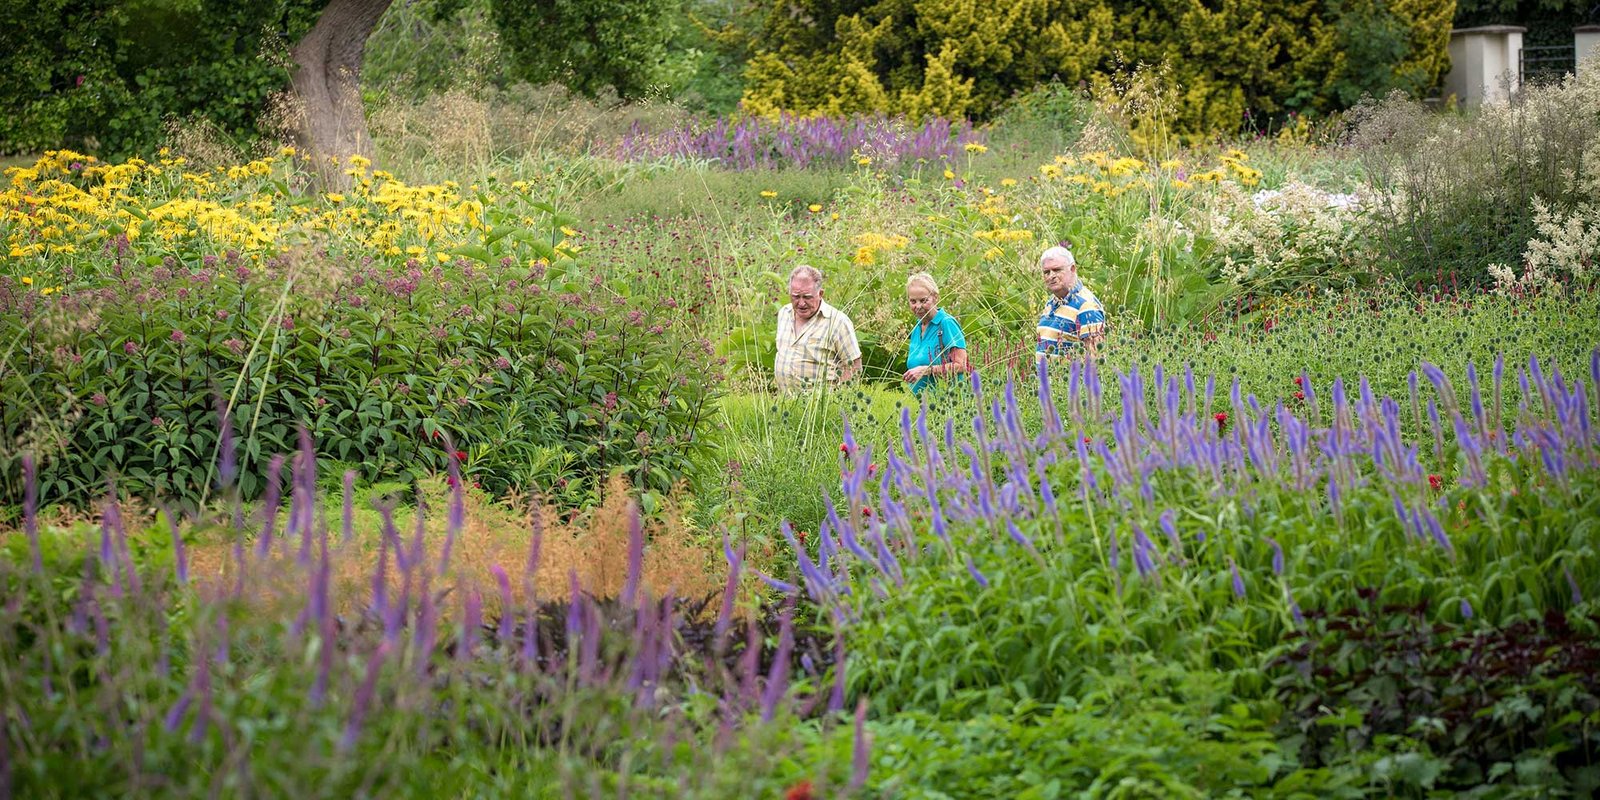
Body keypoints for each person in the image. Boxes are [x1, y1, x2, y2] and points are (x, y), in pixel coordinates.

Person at [774, 265, 862, 391]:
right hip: (784, 400)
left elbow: (853, 365)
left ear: (820, 294)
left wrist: (839, 397)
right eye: (796, 296)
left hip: (820, 402)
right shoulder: (784, 313)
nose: (801, 303)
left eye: (807, 297)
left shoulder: (838, 322)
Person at [1034, 245, 1106, 360]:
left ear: (1072, 269)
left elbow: (1096, 359)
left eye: (1057, 270)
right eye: (1046, 272)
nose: (1051, 276)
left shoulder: (1086, 306)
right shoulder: (1051, 302)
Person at [901, 272, 968, 394]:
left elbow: (961, 365)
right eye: (913, 301)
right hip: (919, 402)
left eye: (923, 300)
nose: (918, 306)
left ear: (935, 298)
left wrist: (927, 370)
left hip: (946, 400)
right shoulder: (917, 327)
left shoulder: (946, 323)